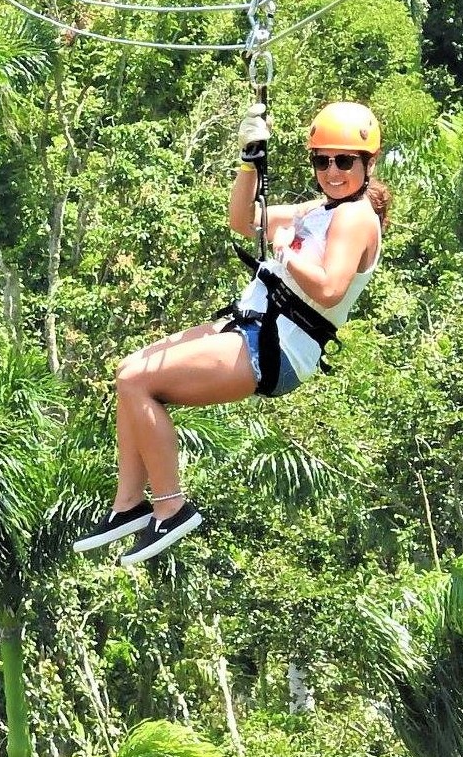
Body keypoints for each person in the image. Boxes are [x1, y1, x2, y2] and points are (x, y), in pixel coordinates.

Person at [73, 100, 389, 565]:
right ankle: (129, 504)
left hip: (277, 347)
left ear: (368, 164)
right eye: (322, 161)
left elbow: (328, 288)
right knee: (129, 371)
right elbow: (243, 221)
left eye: (344, 161)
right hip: (252, 326)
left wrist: (285, 252)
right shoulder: (318, 210)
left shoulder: (355, 218)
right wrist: (249, 162)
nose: (332, 172)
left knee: (138, 382)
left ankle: (170, 506)